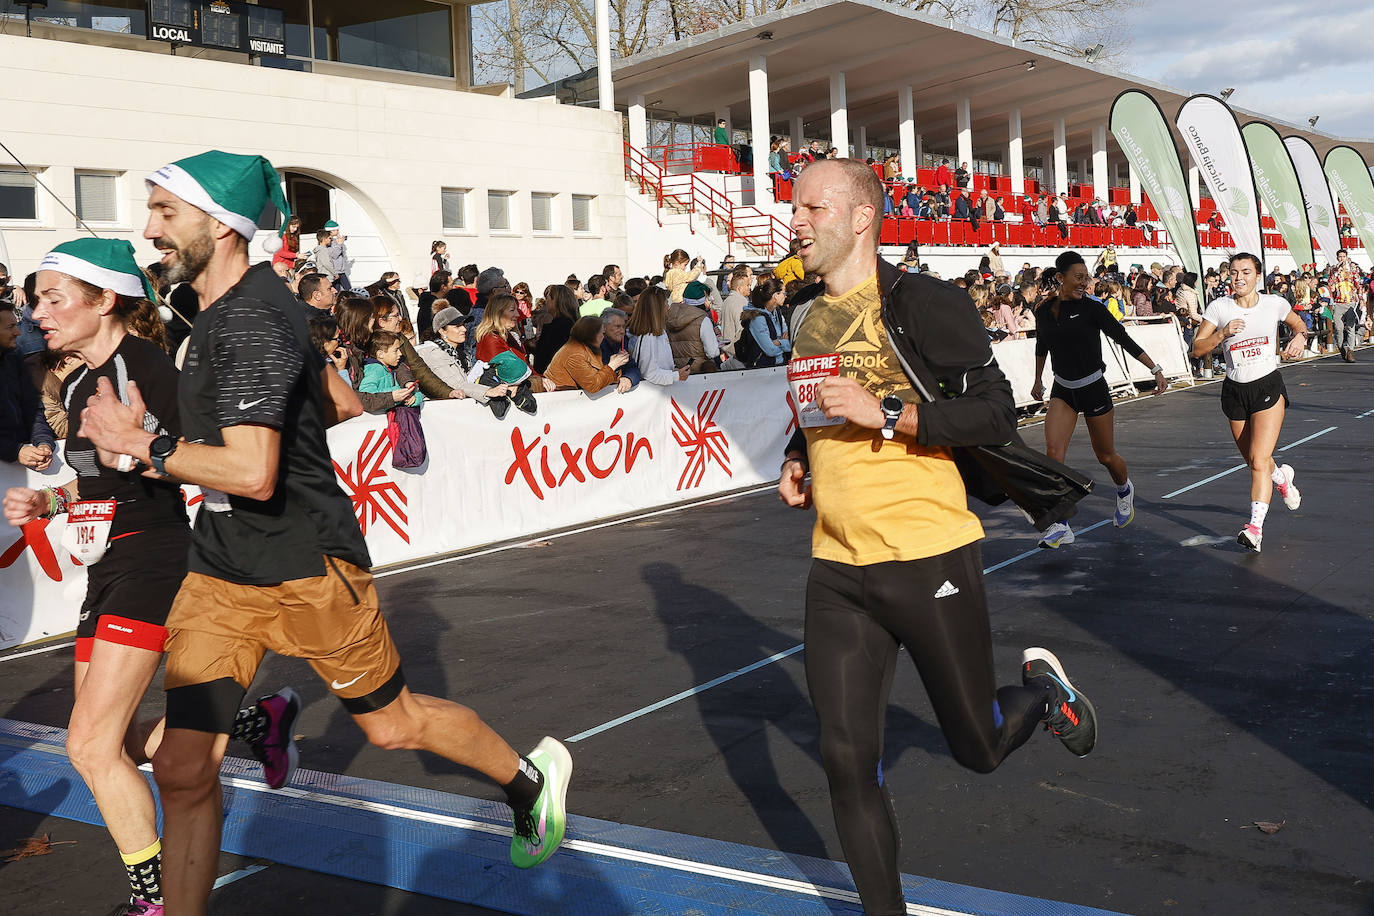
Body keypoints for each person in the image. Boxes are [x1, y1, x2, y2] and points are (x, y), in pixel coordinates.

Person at [77, 151, 572, 915]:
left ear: (221, 223)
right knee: (181, 766)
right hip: (221, 572)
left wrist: (144, 443)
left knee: (394, 726)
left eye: (166, 214)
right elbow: (342, 399)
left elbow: (253, 474)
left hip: (308, 567)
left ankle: (529, 779)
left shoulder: (248, 318)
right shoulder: (238, 313)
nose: (150, 229)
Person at [778, 159, 1097, 916]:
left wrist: (885, 414)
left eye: (811, 207)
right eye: (794, 208)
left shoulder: (923, 302)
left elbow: (993, 415)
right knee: (846, 760)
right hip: (837, 566)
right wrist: (800, 457)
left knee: (978, 749)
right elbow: (820, 408)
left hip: (928, 555)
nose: (795, 221)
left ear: (860, 218)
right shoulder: (802, 313)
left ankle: (1042, 696)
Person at [5, 238, 297, 916]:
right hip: (108, 564)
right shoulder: (78, 379)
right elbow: (96, 480)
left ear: (104, 299)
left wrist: (148, 450)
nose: (37, 313)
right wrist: (47, 501)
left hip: (158, 558)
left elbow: (232, 457)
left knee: (87, 746)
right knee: (114, 740)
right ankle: (258, 723)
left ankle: (154, 898)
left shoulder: (152, 370)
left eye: (54, 299)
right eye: (35, 300)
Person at [1031, 251, 1169, 548]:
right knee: (1054, 455)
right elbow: (1042, 346)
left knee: (1105, 456)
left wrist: (1155, 369)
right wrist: (1036, 379)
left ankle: (1123, 489)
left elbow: (1124, 339)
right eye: (1078, 277)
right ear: (1060, 278)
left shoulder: (1093, 309)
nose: (1085, 283)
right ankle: (1061, 524)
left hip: (1093, 387)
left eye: (1087, 278)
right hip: (1062, 390)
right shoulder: (1043, 311)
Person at [1190, 253, 1308, 551]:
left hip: (1267, 385)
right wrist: (1222, 333)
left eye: (1245, 271)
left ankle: (1254, 529)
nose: (1238, 277)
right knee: (1256, 461)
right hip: (1234, 390)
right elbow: (1197, 349)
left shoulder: (1274, 303)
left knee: (1258, 461)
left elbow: (1300, 325)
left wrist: (1299, 338)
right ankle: (1282, 479)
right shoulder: (1219, 307)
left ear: (1258, 275)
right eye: (1233, 272)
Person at [415, 306, 513, 415]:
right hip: (440, 414)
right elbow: (456, 385)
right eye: (457, 326)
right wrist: (489, 391)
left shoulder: (458, 353)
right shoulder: (434, 354)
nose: (464, 329)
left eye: (463, 325)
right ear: (442, 331)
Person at [1, 307, 56, 470]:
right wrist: (14, 451)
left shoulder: (14, 361)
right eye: (10, 327)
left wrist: (43, 443)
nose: (18, 332)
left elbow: (32, 412)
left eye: (16, 325)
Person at [544, 316, 633, 394]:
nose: (603, 336)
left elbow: (601, 375)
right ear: (592, 335)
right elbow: (592, 385)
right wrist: (613, 365)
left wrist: (616, 367)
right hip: (560, 400)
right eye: (602, 333)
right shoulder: (574, 353)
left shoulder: (589, 348)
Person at [629, 286, 690, 385]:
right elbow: (649, 373)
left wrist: (675, 371)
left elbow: (659, 365)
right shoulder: (649, 336)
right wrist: (676, 376)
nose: (668, 307)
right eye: (666, 303)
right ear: (659, 308)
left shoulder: (659, 332)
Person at [666, 281, 721, 374]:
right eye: (709, 297)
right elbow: (712, 352)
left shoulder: (670, 317)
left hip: (676, 371)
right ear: (703, 300)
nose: (712, 300)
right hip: (699, 371)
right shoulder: (703, 320)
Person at [739, 276, 791, 368]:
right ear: (775, 296)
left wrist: (779, 342)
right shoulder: (757, 318)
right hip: (762, 369)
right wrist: (785, 343)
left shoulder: (778, 313)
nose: (786, 296)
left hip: (780, 365)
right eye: (784, 293)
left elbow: (789, 339)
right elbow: (770, 350)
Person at [532, 283, 581, 374]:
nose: (546, 302)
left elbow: (545, 358)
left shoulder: (557, 327)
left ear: (556, 301)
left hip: (554, 379)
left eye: (548, 298)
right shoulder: (575, 324)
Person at [1329, 248, 1364, 361]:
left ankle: (1350, 351)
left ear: (1347, 257)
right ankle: (1340, 347)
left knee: (1350, 327)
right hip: (1338, 302)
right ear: (1337, 258)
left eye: (1343, 257)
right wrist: (1336, 271)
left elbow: (1358, 284)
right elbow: (1330, 284)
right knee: (1338, 328)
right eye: (1340, 257)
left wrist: (1361, 299)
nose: (1342, 259)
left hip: (1351, 301)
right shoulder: (1334, 269)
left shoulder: (1353, 269)